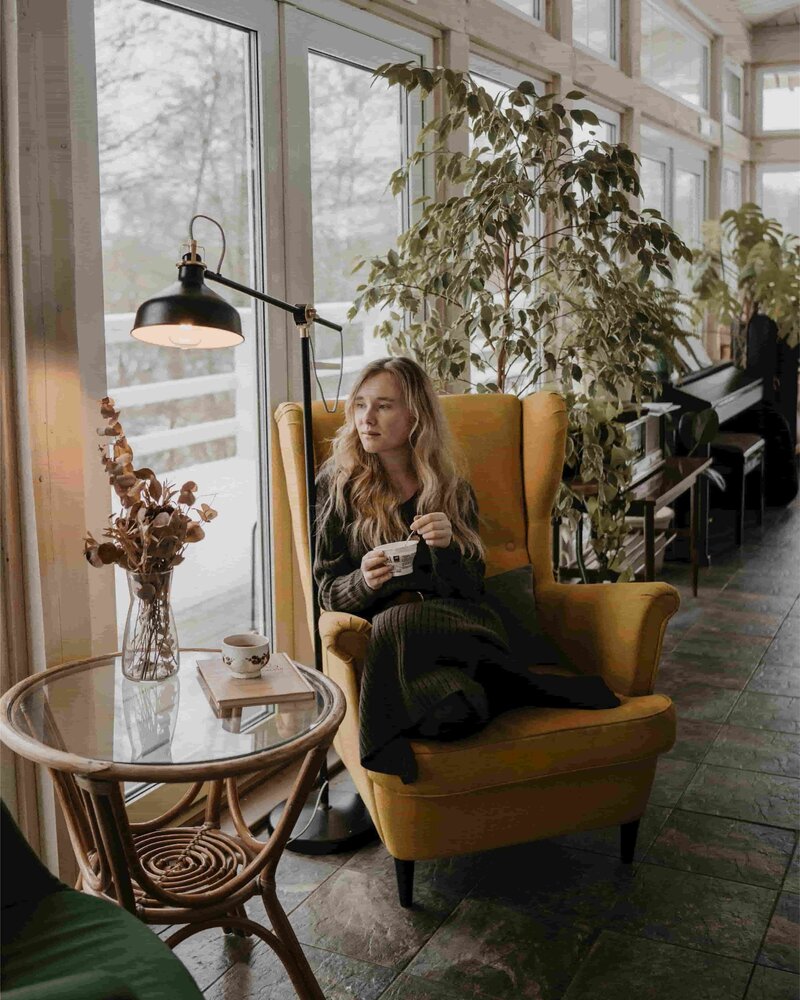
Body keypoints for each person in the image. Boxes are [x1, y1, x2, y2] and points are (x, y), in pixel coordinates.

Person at [314, 356, 619, 783]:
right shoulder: (337, 485)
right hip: (408, 660)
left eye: (383, 406)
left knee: (396, 620)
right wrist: (363, 581)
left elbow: (471, 589)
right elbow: (327, 592)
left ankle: (379, 744)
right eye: (360, 404)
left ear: (415, 415)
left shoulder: (450, 487)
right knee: (449, 715)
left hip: (462, 629)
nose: (366, 419)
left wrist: (446, 550)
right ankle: (515, 685)